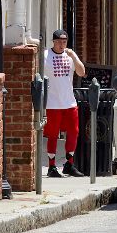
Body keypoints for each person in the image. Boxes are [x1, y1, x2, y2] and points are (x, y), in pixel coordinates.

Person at [42, 29, 85, 178]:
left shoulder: (70, 56)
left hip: (69, 101)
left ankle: (69, 163)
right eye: (59, 41)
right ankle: (52, 166)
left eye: (64, 42)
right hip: (52, 103)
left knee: (74, 131)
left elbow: (81, 72)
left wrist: (73, 56)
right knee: (53, 134)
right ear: (53, 41)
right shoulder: (46, 55)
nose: (61, 45)